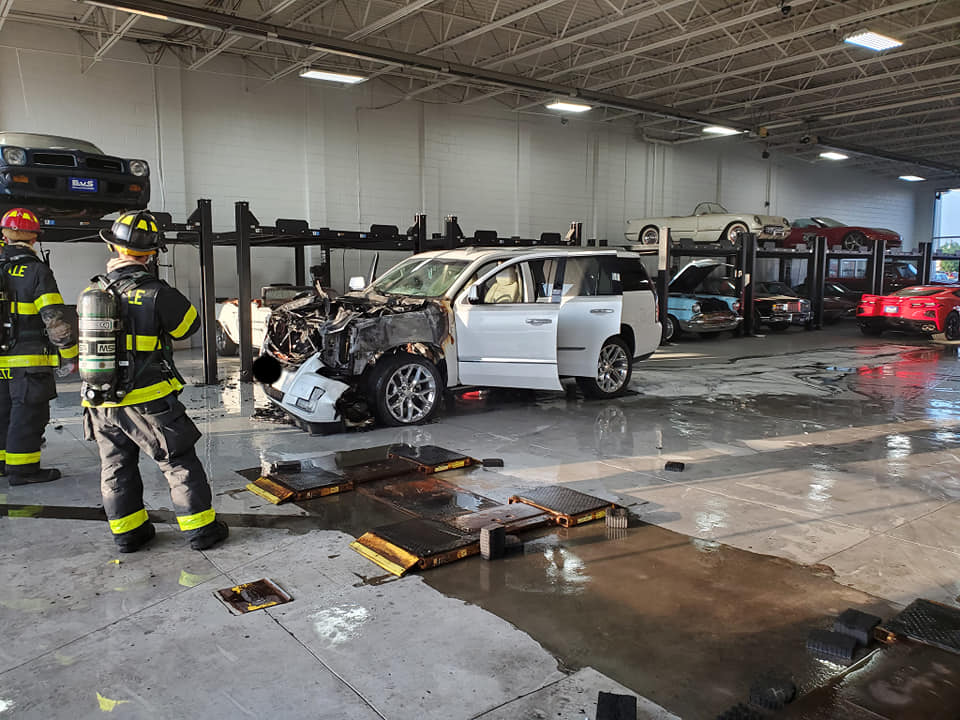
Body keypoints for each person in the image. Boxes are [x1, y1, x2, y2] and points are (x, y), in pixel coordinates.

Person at [81, 210, 227, 553]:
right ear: (152, 253)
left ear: (115, 248)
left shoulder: (92, 290)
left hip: (100, 401)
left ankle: (129, 535)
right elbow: (188, 326)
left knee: (115, 466)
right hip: (148, 401)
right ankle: (201, 531)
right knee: (178, 462)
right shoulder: (156, 292)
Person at [0, 207, 77, 484]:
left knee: (3, 411)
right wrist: (71, 354)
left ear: (6, 236)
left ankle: (3, 463)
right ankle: (23, 470)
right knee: (28, 413)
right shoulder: (36, 272)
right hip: (28, 361)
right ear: (33, 239)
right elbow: (54, 320)